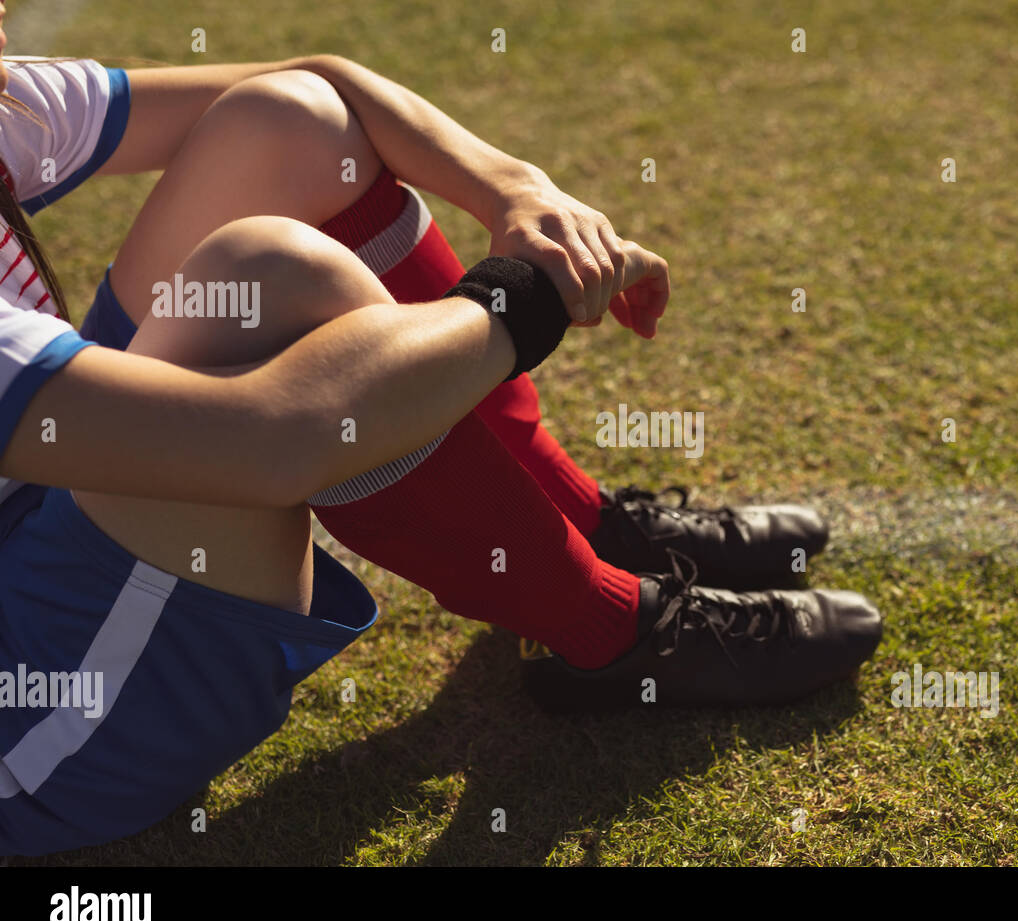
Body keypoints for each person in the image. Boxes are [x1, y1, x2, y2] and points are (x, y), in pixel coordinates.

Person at [0, 26, 881, 855]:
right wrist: (517, 302)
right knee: (269, 279)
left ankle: (579, 521)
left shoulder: (8, 103)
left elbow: (323, 85)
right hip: (36, 723)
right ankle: (607, 627)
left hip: (46, 501)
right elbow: (273, 439)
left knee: (289, 123)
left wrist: (520, 193)